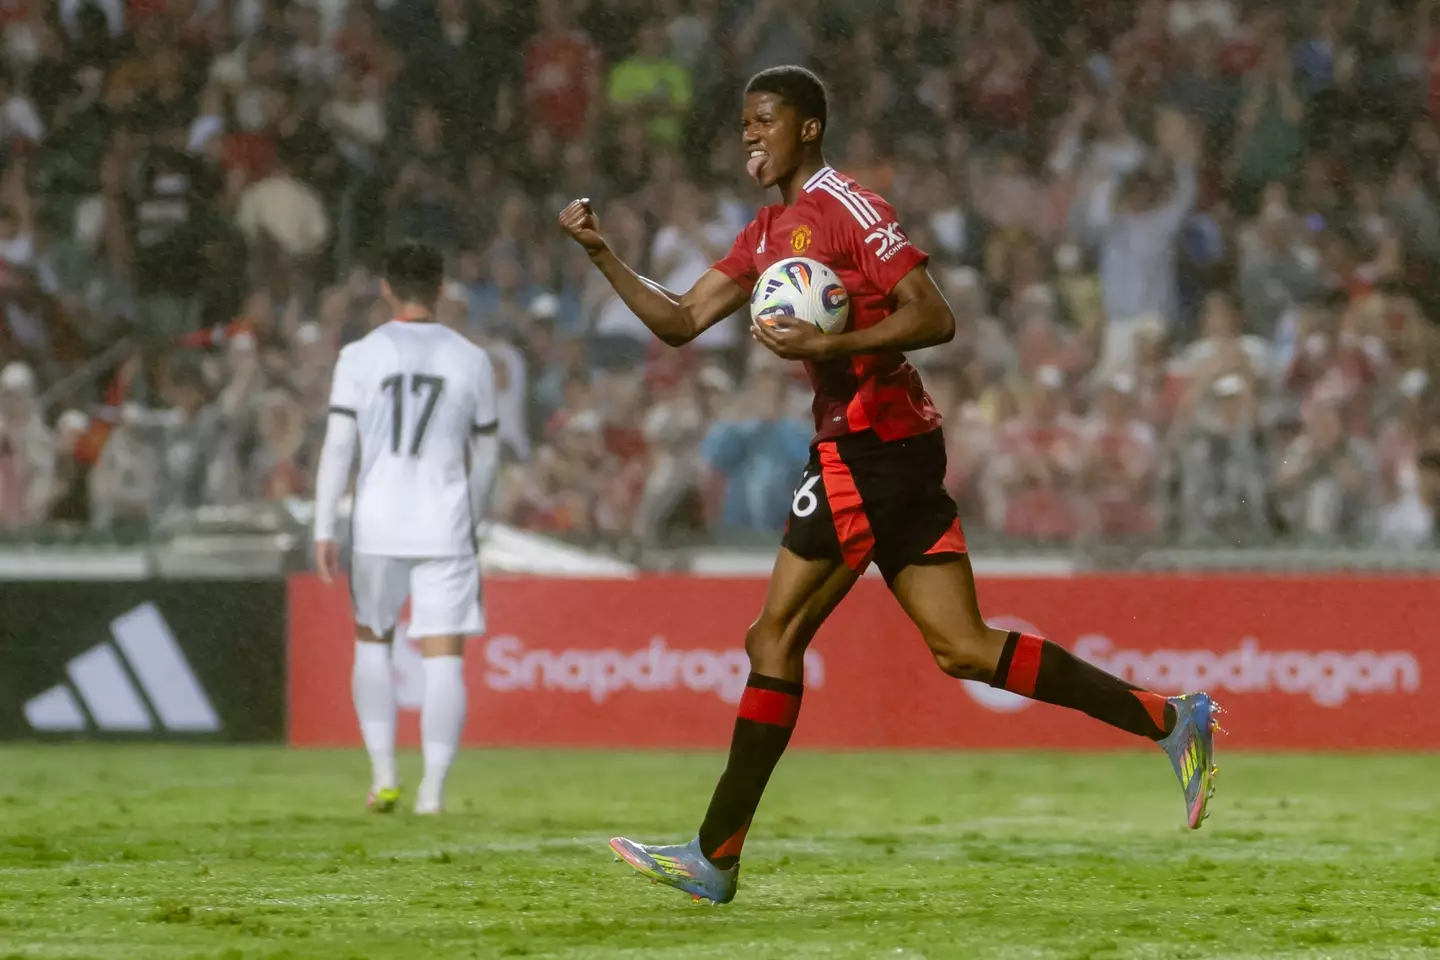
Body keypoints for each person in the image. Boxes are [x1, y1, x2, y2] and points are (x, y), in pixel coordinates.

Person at [558, 65, 1221, 906]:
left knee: (773, 639)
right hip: (886, 445)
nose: (749, 136)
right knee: (964, 647)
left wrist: (823, 348)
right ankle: (1169, 719)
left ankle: (715, 854)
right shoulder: (766, 232)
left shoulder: (847, 206)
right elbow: (682, 321)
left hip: (870, 446)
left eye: (765, 120)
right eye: (742, 125)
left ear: (808, 127)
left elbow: (935, 314)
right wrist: (601, 253)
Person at [312, 242, 500, 816]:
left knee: (373, 641)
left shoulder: (359, 356)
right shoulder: (472, 358)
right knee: (444, 656)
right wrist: (473, 515)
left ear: (386, 289)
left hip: (376, 524)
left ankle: (384, 775)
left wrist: (324, 526)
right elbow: (488, 456)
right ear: (441, 289)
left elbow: (339, 446)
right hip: (444, 524)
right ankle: (433, 793)